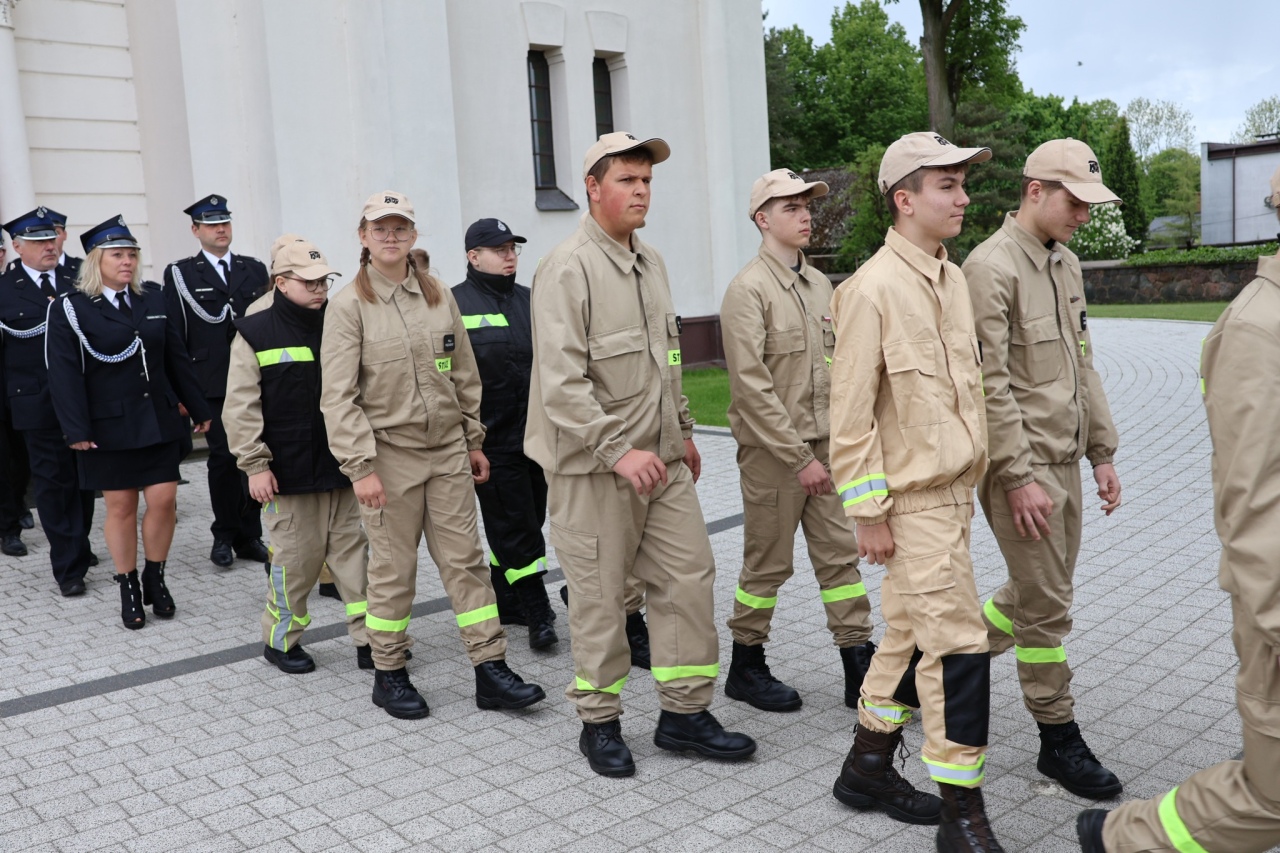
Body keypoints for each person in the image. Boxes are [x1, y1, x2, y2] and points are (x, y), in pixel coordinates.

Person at [526, 131, 755, 778]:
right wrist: (617, 449)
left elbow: (668, 356)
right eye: (627, 180)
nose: (641, 191)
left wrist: (681, 427)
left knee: (688, 577)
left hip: (663, 462)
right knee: (601, 598)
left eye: (647, 181)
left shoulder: (650, 262)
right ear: (593, 188)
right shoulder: (566, 268)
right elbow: (561, 384)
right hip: (596, 470)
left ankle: (684, 712)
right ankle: (599, 720)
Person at [1076, 164, 1280, 853]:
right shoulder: (1258, 329)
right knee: (1270, 796)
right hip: (1276, 607)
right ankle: (1120, 838)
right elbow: (1251, 510)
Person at [828, 132, 1004, 852]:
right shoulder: (870, 289)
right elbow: (849, 414)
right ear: (904, 200)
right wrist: (868, 511)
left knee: (904, 635)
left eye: (964, 183)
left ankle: (866, 767)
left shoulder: (951, 278)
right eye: (946, 185)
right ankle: (963, 816)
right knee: (960, 647)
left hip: (956, 498)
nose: (963, 197)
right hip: (913, 503)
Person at [321, 190, 544, 719]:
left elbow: (463, 372)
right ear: (363, 237)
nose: (391, 236)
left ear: (414, 236)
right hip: (388, 458)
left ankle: (490, 668)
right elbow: (338, 396)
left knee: (467, 564)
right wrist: (360, 468)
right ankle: (389, 671)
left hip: (447, 452)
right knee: (395, 571)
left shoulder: (438, 294)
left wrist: (472, 440)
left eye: (401, 228)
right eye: (381, 228)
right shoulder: (349, 306)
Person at [962, 139, 1124, 801]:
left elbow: (1085, 362)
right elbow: (988, 386)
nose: (1083, 215)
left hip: (1066, 461)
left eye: (1090, 204)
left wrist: (1103, 452)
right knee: (1048, 609)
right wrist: (1018, 475)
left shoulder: (1067, 264)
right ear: (1035, 190)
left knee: (1036, 595)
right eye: (1074, 202)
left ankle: (942, 664)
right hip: (1020, 471)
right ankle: (1057, 736)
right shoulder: (989, 268)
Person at [719, 168, 878, 713]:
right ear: (762, 219)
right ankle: (746, 663)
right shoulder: (747, 292)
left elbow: (840, 370)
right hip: (775, 457)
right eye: (790, 207)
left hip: (827, 452)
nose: (806, 214)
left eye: (807, 205)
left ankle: (859, 664)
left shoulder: (820, 286)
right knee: (767, 564)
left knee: (840, 560)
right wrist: (798, 457)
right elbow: (752, 389)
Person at [46, 216, 212, 629]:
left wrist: (201, 409)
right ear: (97, 260)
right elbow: (63, 373)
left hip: (156, 420)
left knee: (163, 500)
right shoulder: (71, 307)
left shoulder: (153, 298)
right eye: (118, 255)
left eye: (132, 254)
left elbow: (176, 357)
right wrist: (76, 430)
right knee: (121, 507)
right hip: (108, 426)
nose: (128, 262)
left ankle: (156, 576)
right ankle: (129, 584)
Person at [223, 238, 371, 674]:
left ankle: (371, 640)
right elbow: (240, 405)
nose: (320, 288)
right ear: (282, 283)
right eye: (309, 282)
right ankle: (281, 641)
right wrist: (255, 464)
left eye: (323, 280)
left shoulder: (341, 322)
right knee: (295, 563)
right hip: (287, 473)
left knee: (356, 561)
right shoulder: (255, 330)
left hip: (343, 467)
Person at [451, 218, 558, 650]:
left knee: (529, 517)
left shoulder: (532, 301)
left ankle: (507, 597)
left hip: (536, 435)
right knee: (516, 526)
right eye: (500, 249)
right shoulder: (454, 304)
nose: (510, 255)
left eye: (513, 247)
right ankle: (538, 609)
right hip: (490, 440)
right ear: (474, 257)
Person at [163, 194, 270, 569]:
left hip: (257, 378)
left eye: (224, 222)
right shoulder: (180, 274)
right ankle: (224, 534)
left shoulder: (254, 270)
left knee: (256, 456)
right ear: (196, 230)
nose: (220, 229)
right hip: (212, 383)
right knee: (224, 459)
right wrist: (183, 393)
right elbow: (174, 336)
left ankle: (250, 534)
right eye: (211, 224)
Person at [0, 208, 96, 594]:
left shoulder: (82, 279)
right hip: (34, 404)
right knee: (52, 484)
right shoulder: (5, 290)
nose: (49, 247)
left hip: (85, 400)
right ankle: (68, 567)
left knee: (84, 481)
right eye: (38, 242)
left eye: (50, 240)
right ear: (18, 247)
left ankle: (80, 543)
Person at [45, 208, 82, 279]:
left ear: (65, 235)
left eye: (56, 233)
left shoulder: (81, 267)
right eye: (46, 234)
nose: (51, 238)